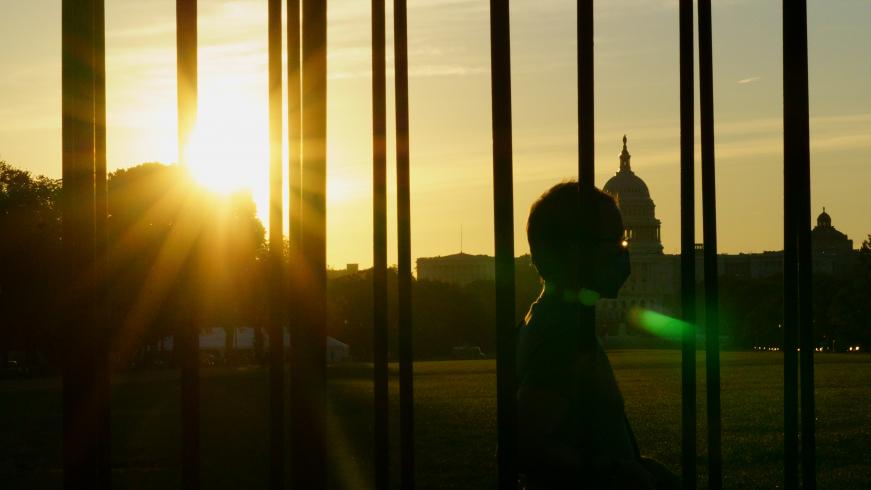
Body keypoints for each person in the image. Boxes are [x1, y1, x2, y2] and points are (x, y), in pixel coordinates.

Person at [517, 182, 679, 489]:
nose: (624, 252)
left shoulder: (548, 316)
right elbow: (524, 445)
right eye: (617, 242)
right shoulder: (562, 335)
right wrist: (619, 472)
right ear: (577, 248)